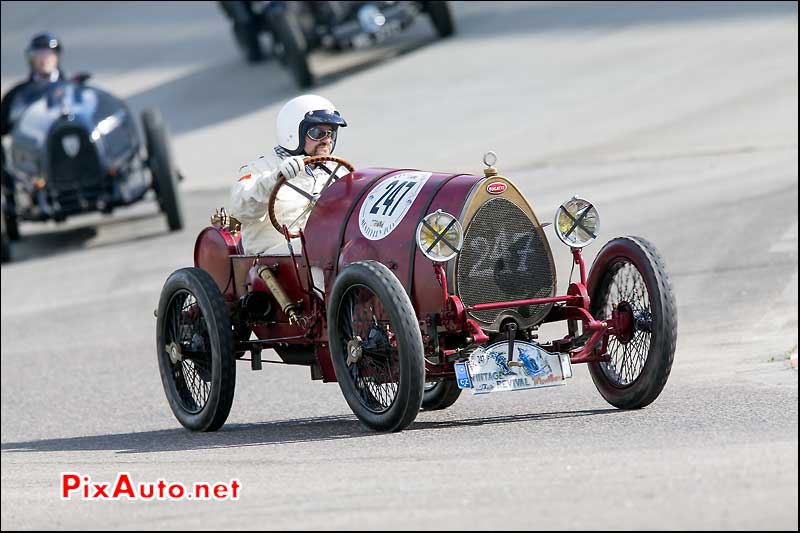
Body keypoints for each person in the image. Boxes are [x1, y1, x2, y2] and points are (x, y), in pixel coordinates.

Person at [230, 94, 348, 255]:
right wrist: (274, 179)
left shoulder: (338, 172)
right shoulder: (260, 169)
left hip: (322, 253)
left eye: (331, 133)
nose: (327, 140)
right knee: (320, 248)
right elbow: (242, 211)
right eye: (317, 133)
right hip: (272, 262)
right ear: (293, 132)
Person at [1, 32, 65, 138]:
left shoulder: (71, 90)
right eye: (39, 54)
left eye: (49, 53)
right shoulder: (17, 94)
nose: (44, 59)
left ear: (57, 57)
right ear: (31, 59)